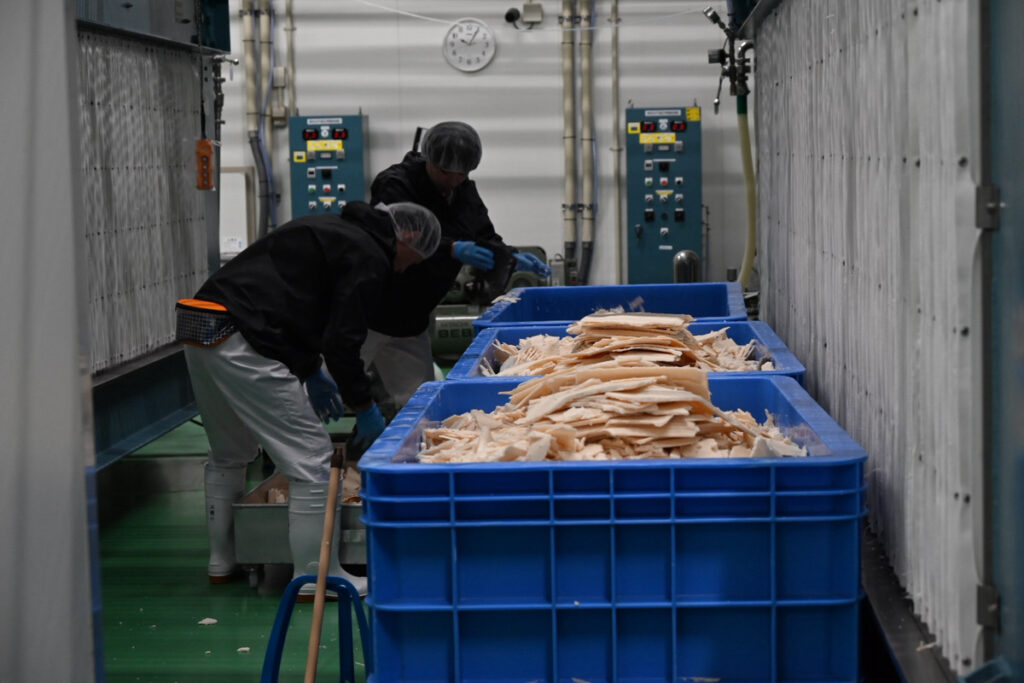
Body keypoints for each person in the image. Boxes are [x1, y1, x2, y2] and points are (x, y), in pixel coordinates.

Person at [175, 201, 440, 597]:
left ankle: (222, 561)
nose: (405, 269)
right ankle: (318, 578)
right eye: (412, 260)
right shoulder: (371, 255)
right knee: (314, 461)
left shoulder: (332, 226)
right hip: (242, 336)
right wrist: (365, 407)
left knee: (230, 452)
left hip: (201, 323)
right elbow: (343, 341)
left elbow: (288, 303)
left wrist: (309, 369)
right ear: (409, 235)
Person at [364, 121, 550, 410]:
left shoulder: (463, 191)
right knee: (327, 383)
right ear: (429, 160)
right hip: (367, 308)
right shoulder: (396, 184)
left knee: (418, 402)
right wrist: (449, 249)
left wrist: (509, 254)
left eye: (461, 174)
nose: (453, 181)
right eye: (445, 172)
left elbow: (484, 234)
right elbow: (392, 236)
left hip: (410, 316)